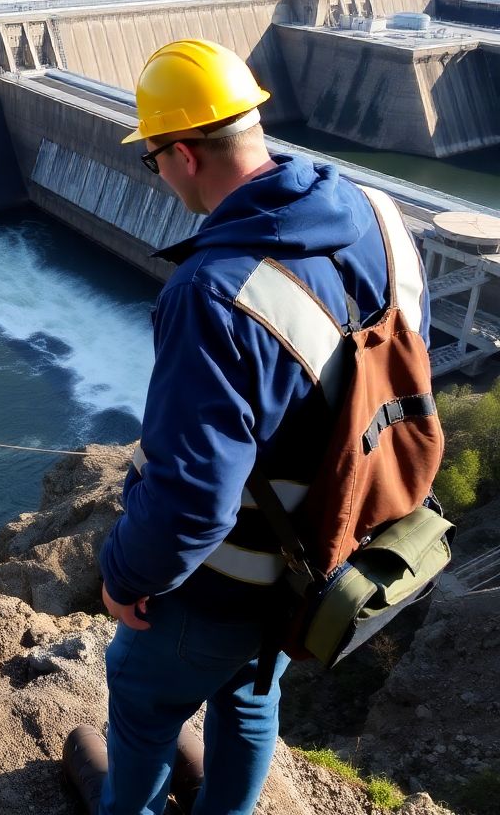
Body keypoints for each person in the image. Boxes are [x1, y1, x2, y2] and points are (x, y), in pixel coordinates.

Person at [69, 40, 430, 815]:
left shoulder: (213, 292)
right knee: (252, 695)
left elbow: (193, 501)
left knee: (140, 708)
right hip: (326, 557)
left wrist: (127, 577)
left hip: (224, 582)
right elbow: (397, 368)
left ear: (185, 154)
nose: (157, 176)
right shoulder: (381, 216)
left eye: (152, 159)